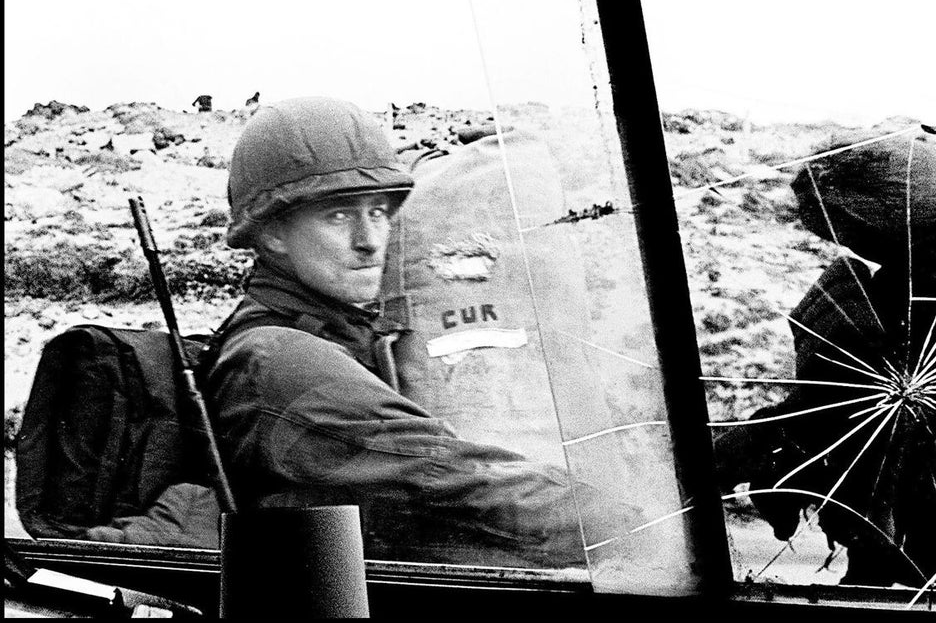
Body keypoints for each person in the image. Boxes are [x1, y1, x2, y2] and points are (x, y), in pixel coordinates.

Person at [205, 96, 636, 568]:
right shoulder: (280, 358)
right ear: (272, 234)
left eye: (379, 212)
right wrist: (636, 530)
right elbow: (454, 480)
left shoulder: (337, 334)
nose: (370, 241)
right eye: (339, 215)